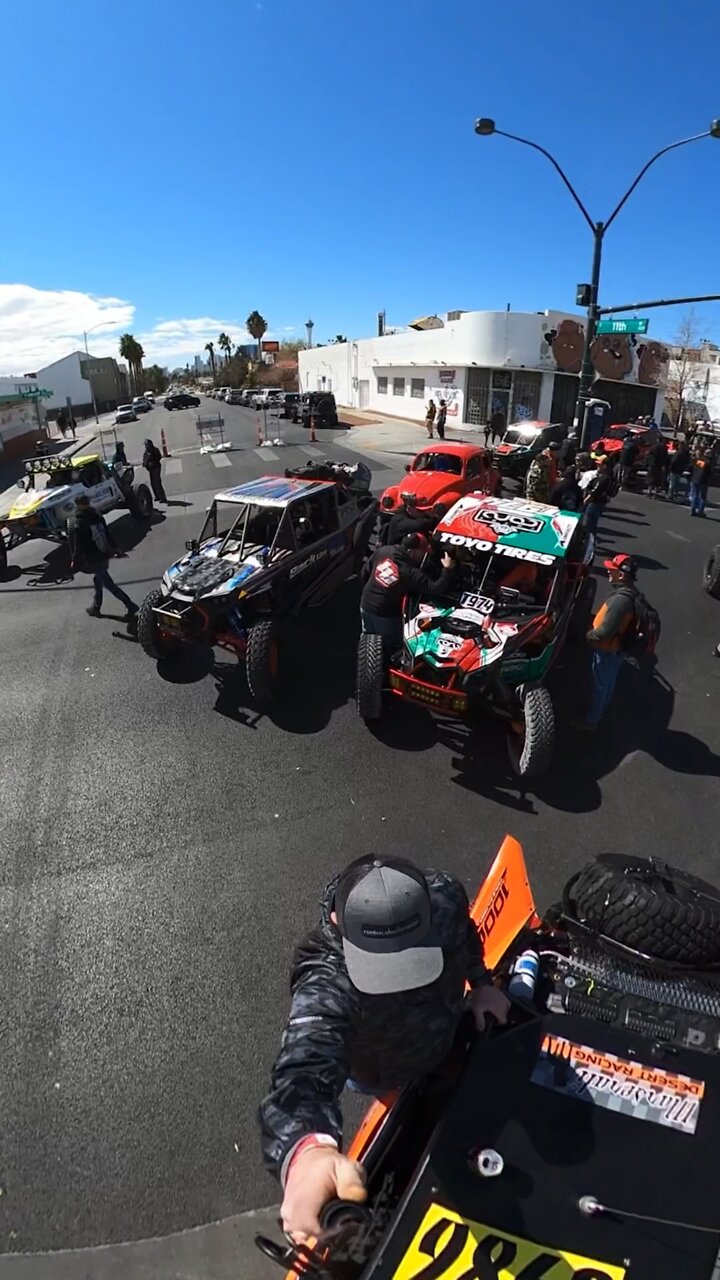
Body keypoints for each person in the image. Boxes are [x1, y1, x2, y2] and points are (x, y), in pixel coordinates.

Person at [258, 855, 510, 1241]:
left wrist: (483, 984)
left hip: (446, 1039)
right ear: (338, 926)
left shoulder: (444, 896)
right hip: (385, 1073)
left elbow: (465, 937)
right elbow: (304, 1065)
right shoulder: (327, 972)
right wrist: (305, 1149)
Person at [571, 553, 638, 731]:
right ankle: (600, 711)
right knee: (608, 681)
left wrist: (589, 636)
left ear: (622, 575)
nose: (608, 572)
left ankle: (591, 720)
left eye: (612, 570)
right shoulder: (632, 594)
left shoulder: (619, 602)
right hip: (618, 649)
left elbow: (604, 632)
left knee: (600, 684)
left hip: (607, 649)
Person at [361, 533, 456, 652]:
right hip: (385, 613)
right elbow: (435, 589)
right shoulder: (409, 572)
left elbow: (364, 572)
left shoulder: (383, 551)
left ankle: (366, 661)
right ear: (412, 551)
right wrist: (447, 569)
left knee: (368, 640)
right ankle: (381, 668)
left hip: (366, 603)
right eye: (422, 552)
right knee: (390, 647)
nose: (423, 556)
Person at [68, 495, 138, 620]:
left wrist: (74, 560)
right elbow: (107, 533)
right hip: (104, 553)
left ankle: (130, 605)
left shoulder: (79, 523)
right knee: (98, 580)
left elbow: (77, 545)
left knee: (109, 585)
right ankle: (96, 607)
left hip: (93, 557)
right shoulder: (97, 516)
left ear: (78, 505)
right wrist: (116, 548)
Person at [142, 438, 167, 503]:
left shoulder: (155, 450)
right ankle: (157, 496)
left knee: (157, 483)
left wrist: (153, 462)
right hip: (150, 469)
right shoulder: (146, 452)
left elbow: (159, 457)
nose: (145, 446)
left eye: (146, 445)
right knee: (153, 483)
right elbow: (144, 460)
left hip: (156, 468)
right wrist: (145, 464)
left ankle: (163, 497)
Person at [689, 447, 711, 517]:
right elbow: (708, 473)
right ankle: (700, 511)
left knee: (695, 495)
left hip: (695, 479)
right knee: (702, 497)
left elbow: (694, 468)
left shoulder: (697, 460)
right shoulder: (707, 462)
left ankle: (692, 510)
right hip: (703, 481)